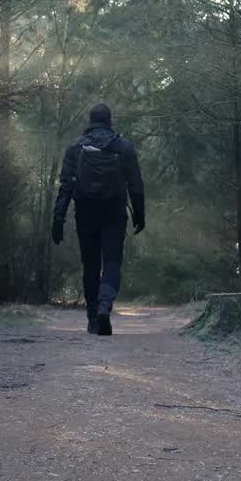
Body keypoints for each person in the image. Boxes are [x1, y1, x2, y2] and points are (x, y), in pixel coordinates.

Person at [51, 103, 145, 335]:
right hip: (114, 212)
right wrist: (139, 215)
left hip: (85, 212)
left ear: (90, 121)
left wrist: (58, 219)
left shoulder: (75, 147)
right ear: (110, 120)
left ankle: (93, 318)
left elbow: (66, 186)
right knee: (112, 262)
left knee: (90, 265)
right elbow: (135, 185)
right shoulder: (123, 147)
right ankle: (105, 306)